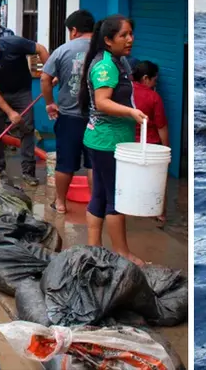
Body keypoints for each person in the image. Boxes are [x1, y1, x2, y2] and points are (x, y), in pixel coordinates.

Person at [79, 15, 148, 266]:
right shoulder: (106, 66)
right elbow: (102, 102)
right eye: (124, 35)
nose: (130, 39)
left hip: (105, 139)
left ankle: (94, 249)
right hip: (108, 141)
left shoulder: (119, 62)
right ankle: (121, 252)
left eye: (131, 34)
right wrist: (131, 112)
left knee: (99, 193)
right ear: (108, 40)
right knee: (115, 197)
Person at [0, 31, 50, 187]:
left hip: (22, 92)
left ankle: (28, 172)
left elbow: (41, 49)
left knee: (26, 130)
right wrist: (10, 112)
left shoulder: (13, 44)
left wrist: (49, 74)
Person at [40, 9, 95, 214]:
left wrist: (50, 103)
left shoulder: (63, 50)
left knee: (65, 163)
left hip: (69, 116)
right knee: (93, 164)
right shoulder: (104, 50)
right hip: (97, 118)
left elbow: (44, 78)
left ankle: (61, 203)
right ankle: (94, 205)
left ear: (73, 30)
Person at [131, 60, 170, 223]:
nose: (155, 84)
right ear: (146, 78)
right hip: (150, 144)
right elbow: (161, 125)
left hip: (128, 144)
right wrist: (167, 149)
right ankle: (158, 212)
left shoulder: (125, 91)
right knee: (156, 180)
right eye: (155, 80)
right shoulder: (153, 97)